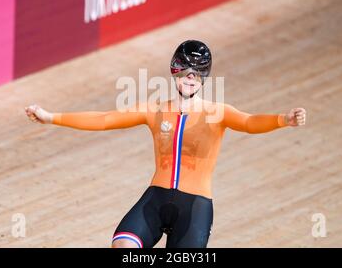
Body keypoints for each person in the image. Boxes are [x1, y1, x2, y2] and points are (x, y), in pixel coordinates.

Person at [25, 40, 307, 248]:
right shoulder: (155, 109)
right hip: (156, 198)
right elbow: (105, 118)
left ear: (204, 78)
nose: (190, 78)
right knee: (123, 247)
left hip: (195, 207)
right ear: (175, 72)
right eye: (185, 71)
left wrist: (283, 119)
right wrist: (52, 118)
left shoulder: (216, 112)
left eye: (196, 73)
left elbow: (249, 122)